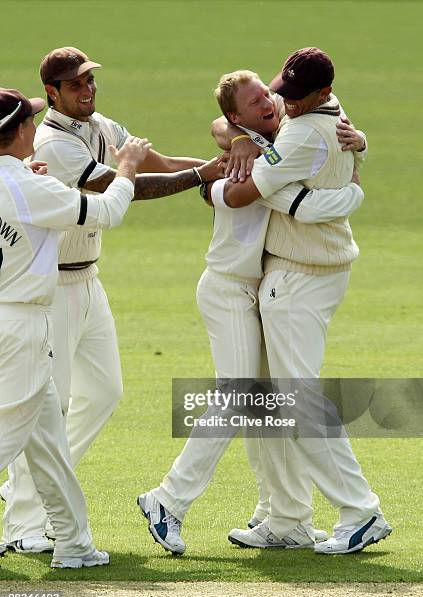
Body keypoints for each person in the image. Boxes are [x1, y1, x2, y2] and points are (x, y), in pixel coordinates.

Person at [1, 46, 223, 553]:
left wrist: (222, 166)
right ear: (52, 93)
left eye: (91, 80)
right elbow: (121, 189)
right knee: (42, 411)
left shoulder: (100, 125)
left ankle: (34, 499)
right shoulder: (53, 143)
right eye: (76, 84)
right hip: (46, 290)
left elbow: (156, 162)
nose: (88, 90)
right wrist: (198, 178)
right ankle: (24, 521)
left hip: (87, 281)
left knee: (103, 392)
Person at [137, 69, 367, 555]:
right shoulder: (236, 167)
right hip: (227, 289)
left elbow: (312, 127)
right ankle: (168, 499)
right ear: (236, 115)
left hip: (261, 290)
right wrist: (242, 146)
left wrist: (357, 144)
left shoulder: (286, 131)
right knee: (240, 396)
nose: (268, 104)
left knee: (269, 410)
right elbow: (238, 184)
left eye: (268, 94)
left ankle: (287, 519)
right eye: (254, 103)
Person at [207, 48, 391, 554]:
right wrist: (241, 137)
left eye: (293, 96)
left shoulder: (307, 133)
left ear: (324, 94)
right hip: (307, 271)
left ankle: (360, 510)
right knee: (273, 401)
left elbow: (248, 190)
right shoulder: (319, 110)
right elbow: (225, 128)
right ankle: (285, 519)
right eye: (278, 90)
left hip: (299, 278)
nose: (281, 102)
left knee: (298, 402)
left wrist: (224, 180)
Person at [0, 86, 150, 567]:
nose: (34, 128)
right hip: (22, 325)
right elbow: (107, 210)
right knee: (9, 438)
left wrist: (29, 177)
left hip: (17, 320)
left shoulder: (23, 182)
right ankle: (54, 537)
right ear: (17, 131)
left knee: (46, 440)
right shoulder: (27, 187)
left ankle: (74, 544)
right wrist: (125, 168)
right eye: (30, 121)